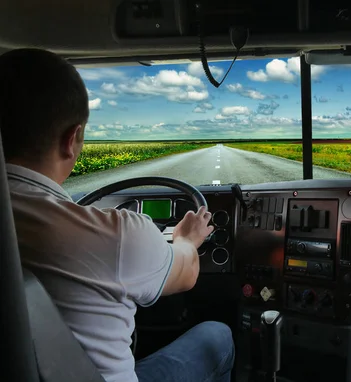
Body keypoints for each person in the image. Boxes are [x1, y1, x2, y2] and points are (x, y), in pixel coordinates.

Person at [0, 48, 234, 382]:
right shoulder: (118, 232)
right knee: (217, 335)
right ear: (73, 139)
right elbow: (187, 273)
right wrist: (186, 238)